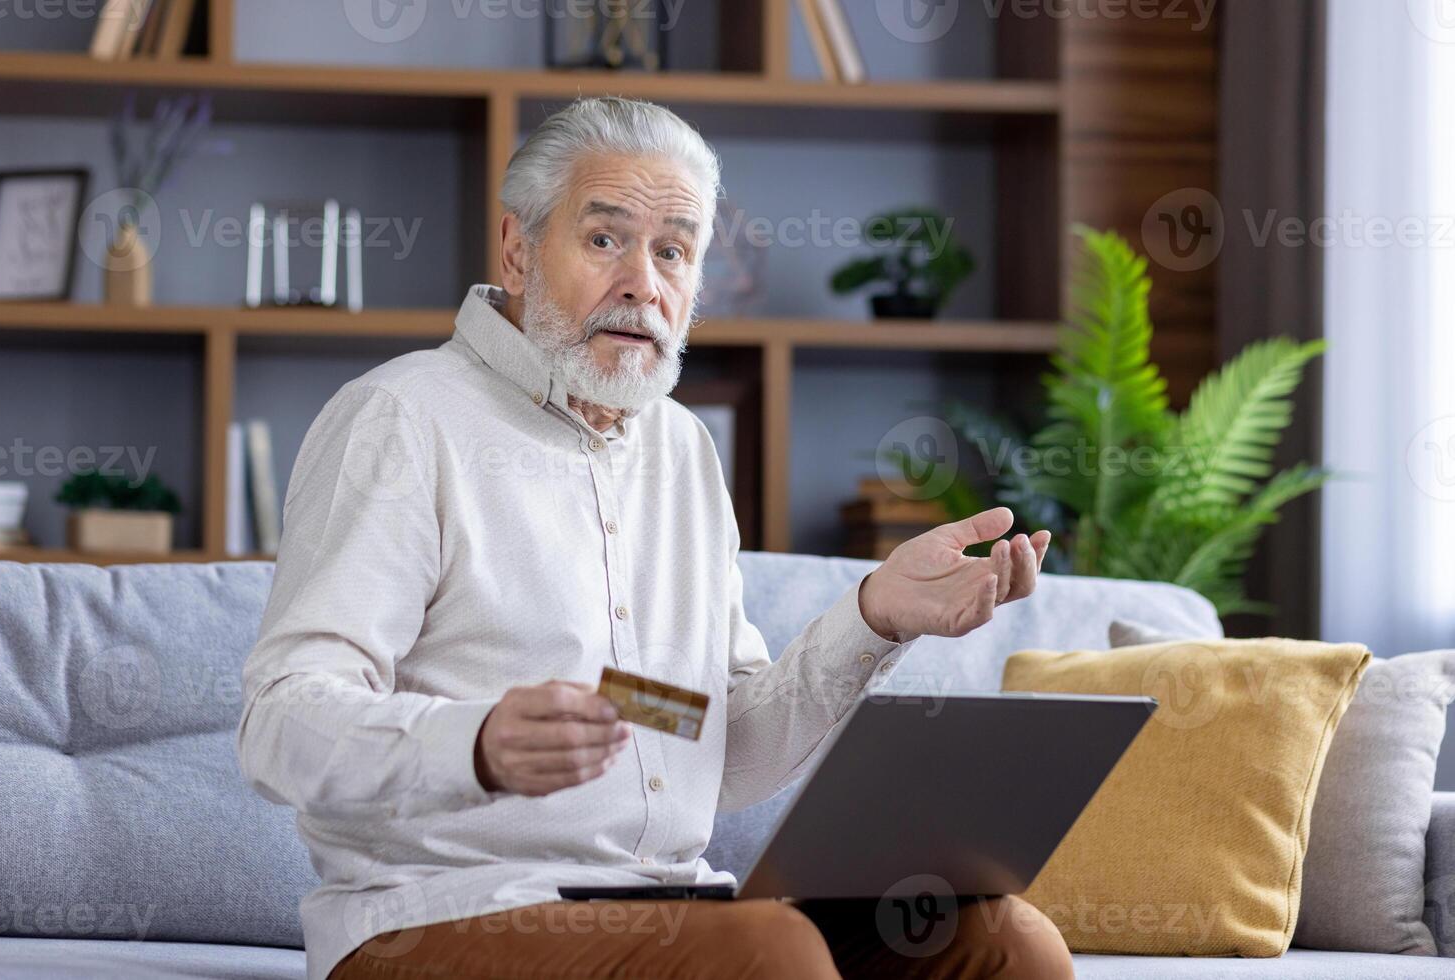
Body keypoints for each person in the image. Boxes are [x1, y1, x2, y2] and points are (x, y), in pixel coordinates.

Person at [237, 96, 1069, 980]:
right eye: (605, 240)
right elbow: (278, 722)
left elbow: (721, 748)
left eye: (673, 250)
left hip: (664, 907)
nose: (643, 282)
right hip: (437, 915)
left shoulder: (681, 450)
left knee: (1002, 941)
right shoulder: (400, 419)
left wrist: (874, 618)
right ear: (518, 250)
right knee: (770, 954)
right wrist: (473, 744)